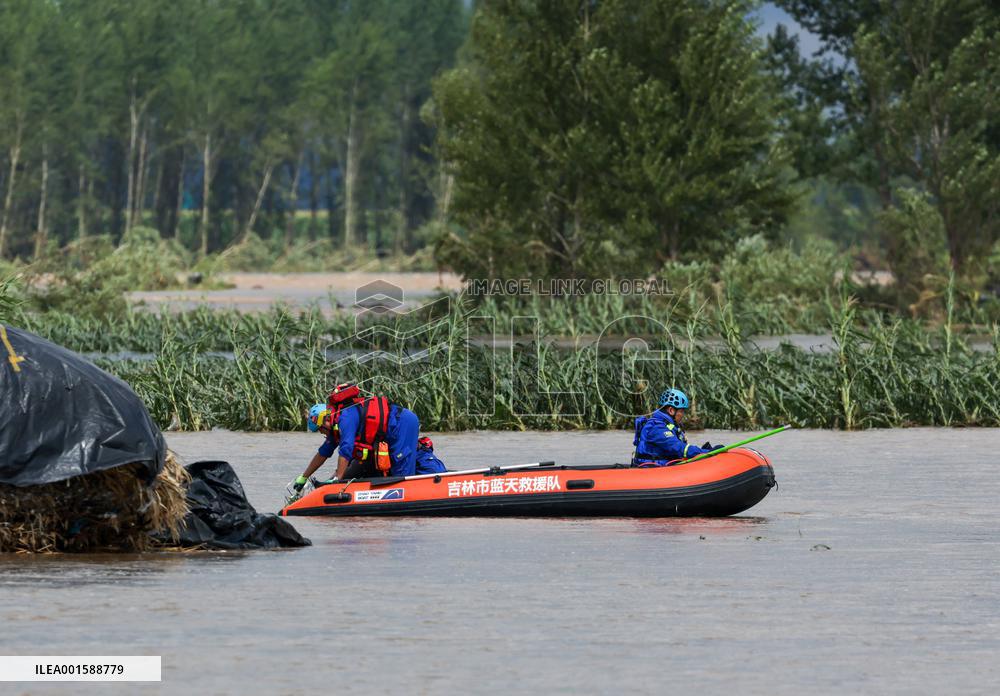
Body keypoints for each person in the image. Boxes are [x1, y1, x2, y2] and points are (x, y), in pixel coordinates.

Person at [290, 384, 426, 493]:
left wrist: (338, 479)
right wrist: (304, 476)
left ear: (325, 419)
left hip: (402, 424)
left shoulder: (345, 418)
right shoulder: (335, 426)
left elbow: (346, 449)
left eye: (320, 429)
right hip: (389, 431)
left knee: (401, 472)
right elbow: (323, 452)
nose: (321, 432)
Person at [632, 388, 724, 467]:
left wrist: (704, 451)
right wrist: (707, 452)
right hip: (652, 470)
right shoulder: (657, 427)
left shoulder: (668, 425)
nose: (683, 415)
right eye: (681, 411)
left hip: (664, 467)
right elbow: (679, 448)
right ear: (671, 410)